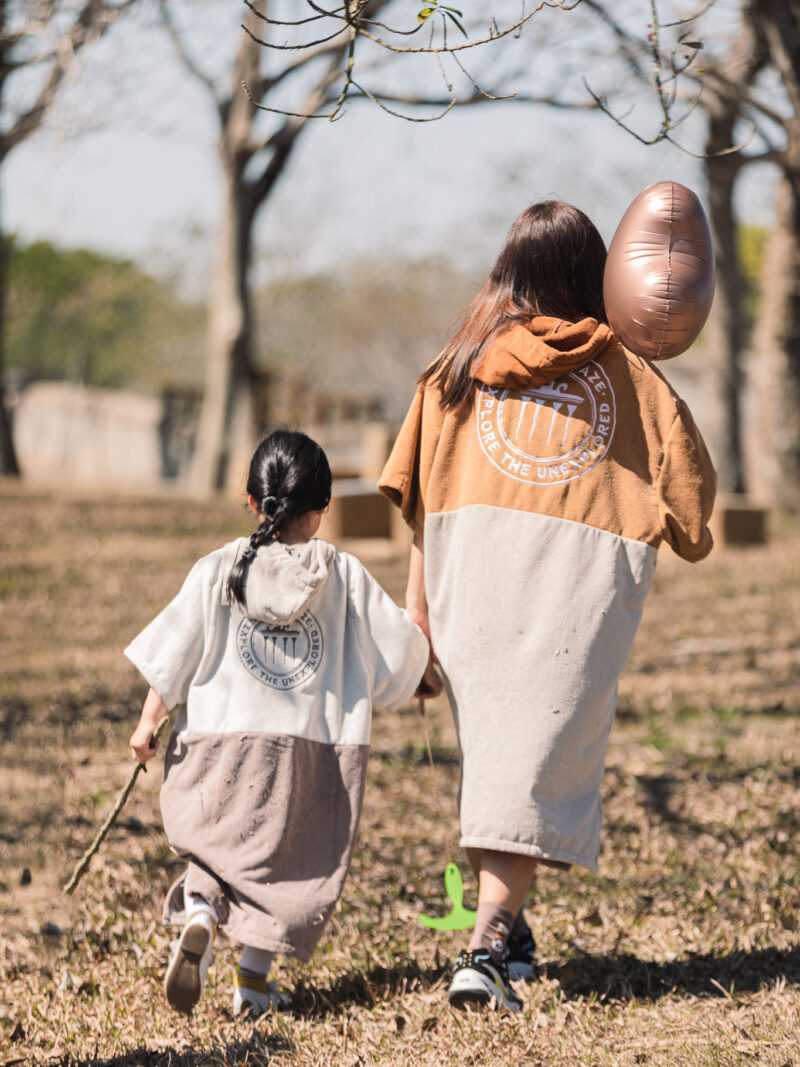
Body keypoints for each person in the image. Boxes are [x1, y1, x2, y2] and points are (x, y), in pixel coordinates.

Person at [378, 200, 716, 1013]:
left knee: (501, 772)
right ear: (593, 275)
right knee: (520, 777)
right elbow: (694, 517)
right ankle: (487, 950)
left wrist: (417, 616)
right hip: (570, 610)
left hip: (470, 606)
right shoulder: (633, 379)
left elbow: (418, 502)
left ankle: (508, 932)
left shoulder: (453, 369)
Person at [127, 429, 434, 1016]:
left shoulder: (219, 567)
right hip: (308, 759)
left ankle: (199, 912)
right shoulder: (343, 577)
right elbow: (397, 655)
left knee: (215, 847)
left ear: (252, 502)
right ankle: (253, 985)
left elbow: (173, 653)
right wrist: (422, 665)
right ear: (321, 512)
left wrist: (147, 725)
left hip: (217, 744)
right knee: (281, 873)